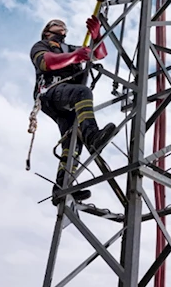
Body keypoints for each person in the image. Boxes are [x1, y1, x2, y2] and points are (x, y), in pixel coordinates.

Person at [30, 15, 115, 205]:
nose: (62, 27)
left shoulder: (71, 48)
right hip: (52, 93)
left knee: (72, 142)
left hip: (65, 98)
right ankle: (93, 136)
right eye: (56, 25)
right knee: (81, 93)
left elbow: (99, 53)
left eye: (63, 26)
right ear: (47, 31)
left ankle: (62, 188)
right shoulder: (41, 46)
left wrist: (96, 35)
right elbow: (47, 63)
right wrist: (75, 57)